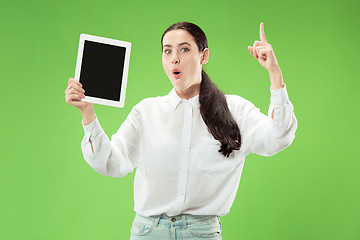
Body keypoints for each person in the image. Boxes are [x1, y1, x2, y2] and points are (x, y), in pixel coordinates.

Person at [65, 21, 297, 240]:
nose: (174, 59)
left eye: (184, 50)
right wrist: (87, 113)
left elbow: (278, 137)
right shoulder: (147, 111)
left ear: (203, 56)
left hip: (202, 233)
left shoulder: (235, 109)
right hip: (148, 232)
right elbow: (112, 163)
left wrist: (274, 73)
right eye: (167, 51)